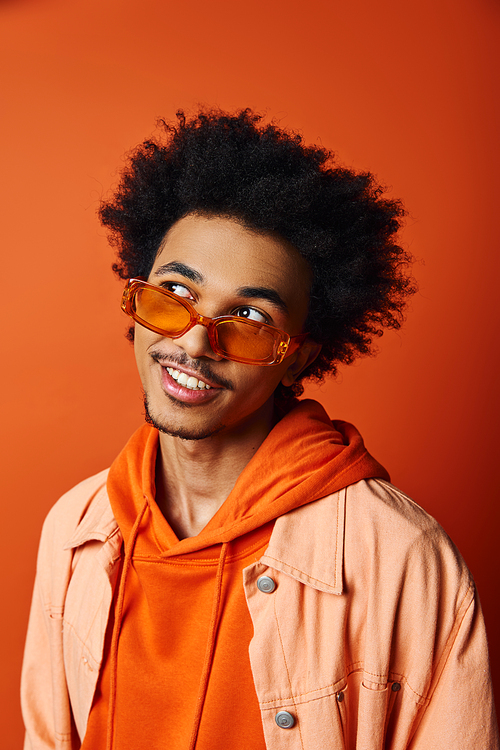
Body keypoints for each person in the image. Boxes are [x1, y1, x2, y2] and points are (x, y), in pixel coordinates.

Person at [21, 109, 498, 750]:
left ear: (298, 355)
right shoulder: (75, 531)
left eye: (248, 315)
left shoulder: (402, 558)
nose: (193, 342)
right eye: (173, 293)